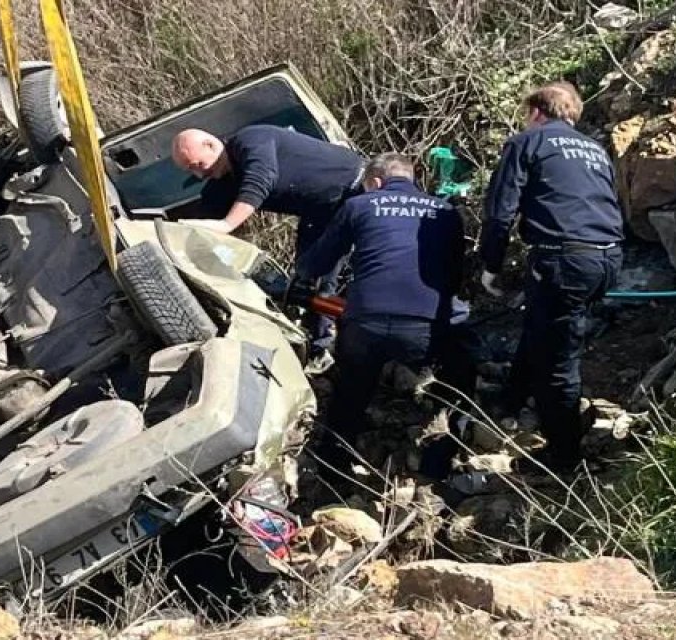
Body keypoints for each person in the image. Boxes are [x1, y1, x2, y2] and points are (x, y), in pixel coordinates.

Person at [294, 153, 476, 478]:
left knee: (351, 391)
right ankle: (440, 459)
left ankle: (333, 468)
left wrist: (303, 279)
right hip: (424, 323)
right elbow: (454, 275)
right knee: (459, 377)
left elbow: (317, 263)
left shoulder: (358, 206)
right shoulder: (445, 211)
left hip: (366, 321)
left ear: (376, 182)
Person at [478, 81, 625, 472]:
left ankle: (563, 456)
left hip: (564, 260)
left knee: (558, 362)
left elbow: (500, 211)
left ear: (536, 113)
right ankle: (512, 399)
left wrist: (490, 264)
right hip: (607, 258)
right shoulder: (595, 149)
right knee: (542, 324)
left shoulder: (527, 142)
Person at [170, 125, 365, 368]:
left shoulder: (251, 140)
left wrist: (227, 224)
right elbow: (205, 217)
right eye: (191, 170)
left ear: (210, 145)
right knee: (306, 281)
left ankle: (352, 338)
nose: (199, 175)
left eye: (198, 164)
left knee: (336, 279)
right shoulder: (225, 181)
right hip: (320, 211)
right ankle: (321, 346)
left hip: (357, 192)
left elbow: (261, 179)